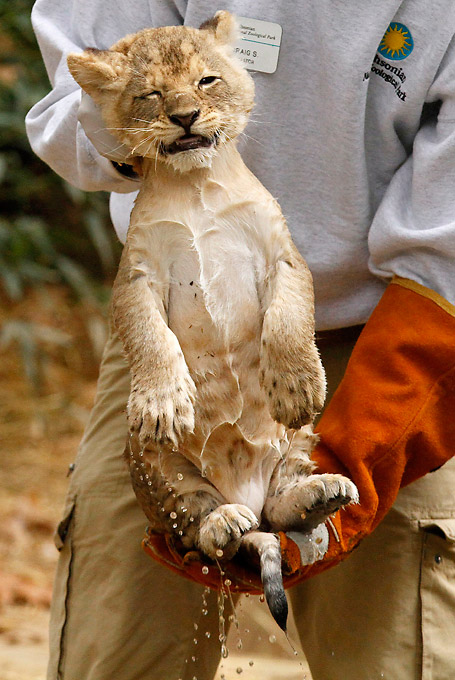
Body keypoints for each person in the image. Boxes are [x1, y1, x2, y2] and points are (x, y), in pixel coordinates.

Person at [26, 1, 455, 679]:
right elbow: (64, 108)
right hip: (169, 326)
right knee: (120, 657)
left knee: (390, 659)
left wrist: (372, 444)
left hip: (383, 326)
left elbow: (448, 248)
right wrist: (143, 118)